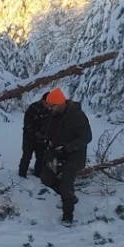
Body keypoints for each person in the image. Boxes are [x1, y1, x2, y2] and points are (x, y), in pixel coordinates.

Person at [40, 87, 92, 226]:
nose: (49, 109)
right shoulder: (54, 114)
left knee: (66, 186)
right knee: (46, 178)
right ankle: (69, 197)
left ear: (61, 103)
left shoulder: (77, 116)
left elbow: (87, 137)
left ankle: (67, 216)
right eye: (48, 106)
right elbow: (51, 131)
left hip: (74, 156)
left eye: (52, 106)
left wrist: (67, 148)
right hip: (56, 153)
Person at [18, 92, 51, 178]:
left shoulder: (51, 110)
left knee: (41, 157)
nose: (48, 105)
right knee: (27, 156)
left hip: (42, 139)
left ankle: (38, 175)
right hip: (29, 137)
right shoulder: (33, 107)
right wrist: (35, 133)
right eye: (47, 102)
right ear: (43, 100)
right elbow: (27, 123)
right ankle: (21, 175)